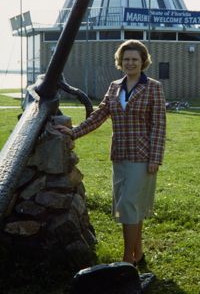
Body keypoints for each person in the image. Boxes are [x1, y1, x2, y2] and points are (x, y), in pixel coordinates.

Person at [55, 39, 166, 266]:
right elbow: (100, 114)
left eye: (135, 59)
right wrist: (73, 132)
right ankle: (138, 252)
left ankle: (127, 260)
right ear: (120, 61)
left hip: (142, 156)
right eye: (126, 59)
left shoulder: (153, 87)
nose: (130, 63)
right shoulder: (115, 86)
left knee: (129, 205)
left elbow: (159, 125)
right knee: (130, 205)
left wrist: (155, 158)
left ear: (143, 61)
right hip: (120, 155)